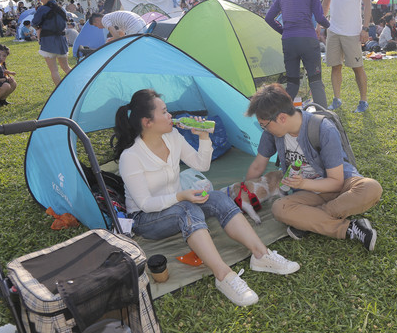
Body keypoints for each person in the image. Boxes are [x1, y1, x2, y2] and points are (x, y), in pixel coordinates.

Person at [115, 89, 299, 307]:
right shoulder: (131, 157)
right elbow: (145, 204)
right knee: (187, 208)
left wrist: (203, 136)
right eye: (164, 112)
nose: (170, 115)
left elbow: (202, 165)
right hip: (147, 218)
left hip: (177, 204)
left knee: (217, 198)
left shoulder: (172, 137)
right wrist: (181, 195)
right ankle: (224, 276)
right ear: (147, 122)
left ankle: (261, 255)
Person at [245, 84, 383, 251]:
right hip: (308, 195)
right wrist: (243, 193)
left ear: (281, 118)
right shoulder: (272, 134)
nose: (264, 129)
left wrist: (302, 184)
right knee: (279, 208)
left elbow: (336, 182)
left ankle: (308, 220)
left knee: (371, 188)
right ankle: (349, 228)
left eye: (264, 125)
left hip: (340, 186)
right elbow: (258, 165)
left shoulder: (323, 129)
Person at [264, 0, 330, 108]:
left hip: (289, 41)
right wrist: (329, 26)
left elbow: (268, 18)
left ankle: (280, 116)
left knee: (292, 83)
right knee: (315, 81)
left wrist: (284, 31)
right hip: (308, 40)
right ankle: (323, 117)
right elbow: (320, 17)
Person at [319, 0, 372, 113]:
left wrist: (365, 28)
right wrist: (319, 25)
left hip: (352, 31)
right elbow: (326, 3)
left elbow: (367, 3)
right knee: (335, 66)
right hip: (333, 30)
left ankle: (363, 101)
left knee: (357, 68)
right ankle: (337, 99)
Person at [31, 0, 71, 86]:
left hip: (48, 41)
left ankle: (60, 92)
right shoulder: (61, 9)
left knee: (54, 70)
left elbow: (34, 23)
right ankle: (77, 84)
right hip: (61, 41)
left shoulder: (42, 9)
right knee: (66, 68)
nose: (40, 0)